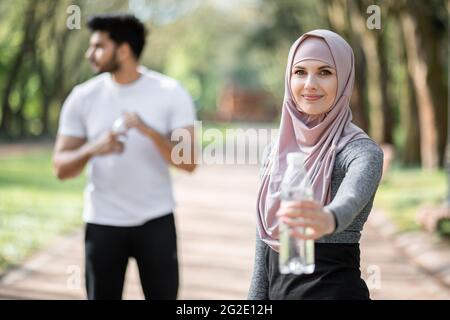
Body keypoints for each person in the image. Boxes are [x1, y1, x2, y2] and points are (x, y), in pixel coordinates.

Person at [53, 13, 197, 300]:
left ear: (123, 50)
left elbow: (189, 162)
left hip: (156, 221)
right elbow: (61, 168)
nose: (89, 53)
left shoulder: (170, 92)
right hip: (102, 222)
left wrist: (148, 131)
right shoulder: (82, 97)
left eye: (98, 46)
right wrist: (93, 147)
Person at [248, 29, 384, 300]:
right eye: (300, 72)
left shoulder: (360, 151)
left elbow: (351, 199)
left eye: (324, 72)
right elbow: (262, 250)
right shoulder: (274, 151)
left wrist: (327, 218)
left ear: (344, 78)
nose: (309, 83)